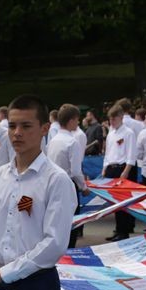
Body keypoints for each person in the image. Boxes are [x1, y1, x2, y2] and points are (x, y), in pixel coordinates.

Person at [0, 93, 75, 290]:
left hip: (36, 285)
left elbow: (54, 244)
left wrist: (3, 273)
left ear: (44, 128)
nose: (17, 133)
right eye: (12, 126)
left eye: (26, 126)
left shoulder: (57, 180)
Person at [46, 103, 87, 246]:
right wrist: (83, 186)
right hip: (68, 184)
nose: (78, 122)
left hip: (52, 183)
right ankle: (69, 248)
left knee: (56, 219)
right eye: (77, 119)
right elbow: (76, 171)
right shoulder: (72, 142)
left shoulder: (53, 141)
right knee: (71, 220)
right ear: (70, 121)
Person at [102, 108, 138, 241]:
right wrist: (105, 168)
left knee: (123, 202)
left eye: (114, 119)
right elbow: (108, 152)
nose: (112, 121)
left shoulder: (128, 133)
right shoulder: (111, 134)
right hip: (112, 167)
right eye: (110, 119)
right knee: (114, 203)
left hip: (122, 168)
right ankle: (118, 229)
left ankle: (124, 231)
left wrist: (126, 171)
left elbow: (131, 155)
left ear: (121, 118)